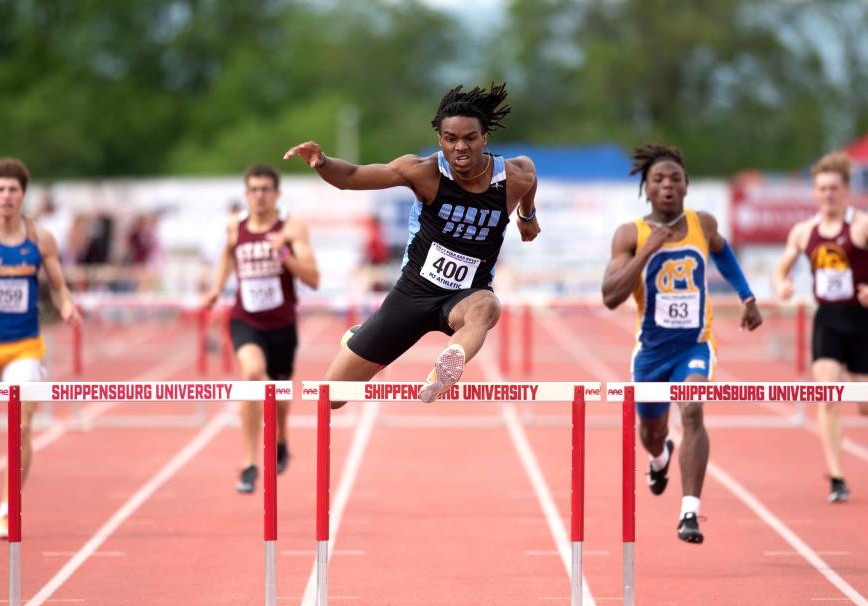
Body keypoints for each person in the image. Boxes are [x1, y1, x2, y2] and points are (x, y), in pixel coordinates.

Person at [283, 82, 540, 407]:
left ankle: (446, 368)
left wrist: (528, 215)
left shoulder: (514, 177)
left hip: (467, 293)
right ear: (440, 140)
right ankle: (364, 336)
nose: (460, 147)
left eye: (470, 138)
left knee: (487, 307)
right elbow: (352, 177)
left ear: (484, 138)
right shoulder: (424, 172)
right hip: (414, 292)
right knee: (333, 397)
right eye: (451, 139)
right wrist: (322, 161)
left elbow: (530, 172)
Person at [602, 144, 762, 543]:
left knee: (692, 409)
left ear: (687, 185)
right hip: (651, 352)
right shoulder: (630, 234)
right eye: (659, 179)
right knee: (650, 433)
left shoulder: (702, 225)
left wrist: (747, 297)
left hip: (695, 346)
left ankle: (689, 512)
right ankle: (660, 457)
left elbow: (723, 255)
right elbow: (610, 296)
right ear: (647, 189)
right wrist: (647, 252)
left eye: (675, 178)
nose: (668, 185)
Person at [0, 157, 82, 538]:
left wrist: (67, 305)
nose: (7, 196)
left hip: (25, 344)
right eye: (0, 190)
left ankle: (9, 507)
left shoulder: (40, 239)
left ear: (23, 195)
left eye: (13, 189)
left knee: (22, 424)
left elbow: (58, 284)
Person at [773, 151, 868, 503]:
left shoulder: (864, 226)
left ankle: (854, 376)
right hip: (827, 320)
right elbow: (781, 268)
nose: (827, 194)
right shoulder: (804, 232)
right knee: (827, 396)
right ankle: (836, 476)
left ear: (846, 189)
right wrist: (782, 285)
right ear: (815, 192)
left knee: (865, 405)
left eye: (833, 188)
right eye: (821, 188)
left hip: (862, 320)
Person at [203, 164, 319, 492]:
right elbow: (227, 255)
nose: (259, 195)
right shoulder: (233, 226)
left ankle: (281, 437)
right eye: (253, 189)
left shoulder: (292, 228)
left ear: (277, 194)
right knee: (252, 375)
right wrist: (216, 288)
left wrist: (282, 251)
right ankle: (250, 462)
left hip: (282, 324)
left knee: (280, 393)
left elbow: (313, 277)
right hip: (245, 320)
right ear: (246, 194)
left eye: (266, 189)